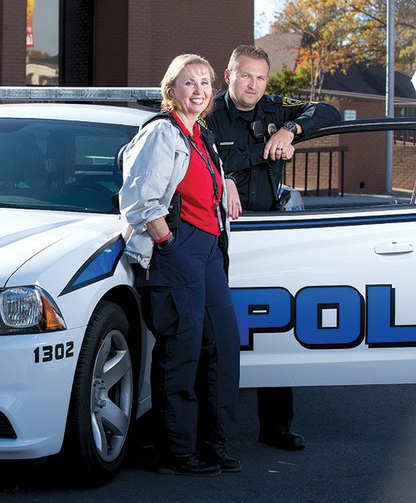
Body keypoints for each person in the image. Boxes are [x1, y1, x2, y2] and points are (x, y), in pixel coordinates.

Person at [203, 44, 341, 451]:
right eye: (246, 76)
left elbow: (329, 111)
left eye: (261, 78)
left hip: (268, 232)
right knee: (216, 333)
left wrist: (290, 130)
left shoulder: (276, 109)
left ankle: (277, 426)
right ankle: (212, 432)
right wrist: (222, 174)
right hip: (217, 233)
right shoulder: (208, 113)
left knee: (273, 326)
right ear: (229, 76)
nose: (253, 85)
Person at [120, 54, 242, 476]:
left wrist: (224, 180)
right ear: (171, 90)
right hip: (177, 251)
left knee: (221, 347)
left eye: (206, 83)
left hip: (208, 251)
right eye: (189, 82)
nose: (200, 90)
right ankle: (177, 453)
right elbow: (138, 200)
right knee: (181, 353)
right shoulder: (161, 133)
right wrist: (167, 242)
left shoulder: (201, 136)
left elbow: (202, 183)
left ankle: (215, 444)